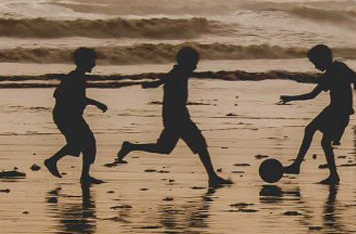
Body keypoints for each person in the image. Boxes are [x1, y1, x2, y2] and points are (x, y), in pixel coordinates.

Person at [116, 47, 231, 189]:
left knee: (165, 148)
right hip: (178, 116)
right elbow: (168, 78)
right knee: (200, 144)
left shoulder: (179, 71)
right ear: (186, 63)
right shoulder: (179, 73)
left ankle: (131, 146)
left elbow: (165, 78)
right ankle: (212, 177)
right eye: (194, 63)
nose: (195, 66)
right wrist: (154, 84)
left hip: (174, 116)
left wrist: (154, 84)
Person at [280, 44, 356, 184]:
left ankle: (304, 167)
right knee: (319, 138)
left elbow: (312, 95)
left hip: (338, 111)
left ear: (322, 59)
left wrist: (290, 98)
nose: (315, 66)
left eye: (315, 63)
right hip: (338, 110)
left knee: (316, 135)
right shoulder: (340, 68)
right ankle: (315, 170)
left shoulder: (331, 74)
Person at [44, 47, 107, 185]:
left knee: (83, 144)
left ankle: (83, 175)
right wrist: (97, 103)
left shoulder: (76, 76)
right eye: (92, 61)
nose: (94, 64)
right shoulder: (75, 77)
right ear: (84, 61)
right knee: (85, 143)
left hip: (68, 115)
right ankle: (53, 162)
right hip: (67, 116)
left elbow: (66, 95)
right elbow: (65, 96)